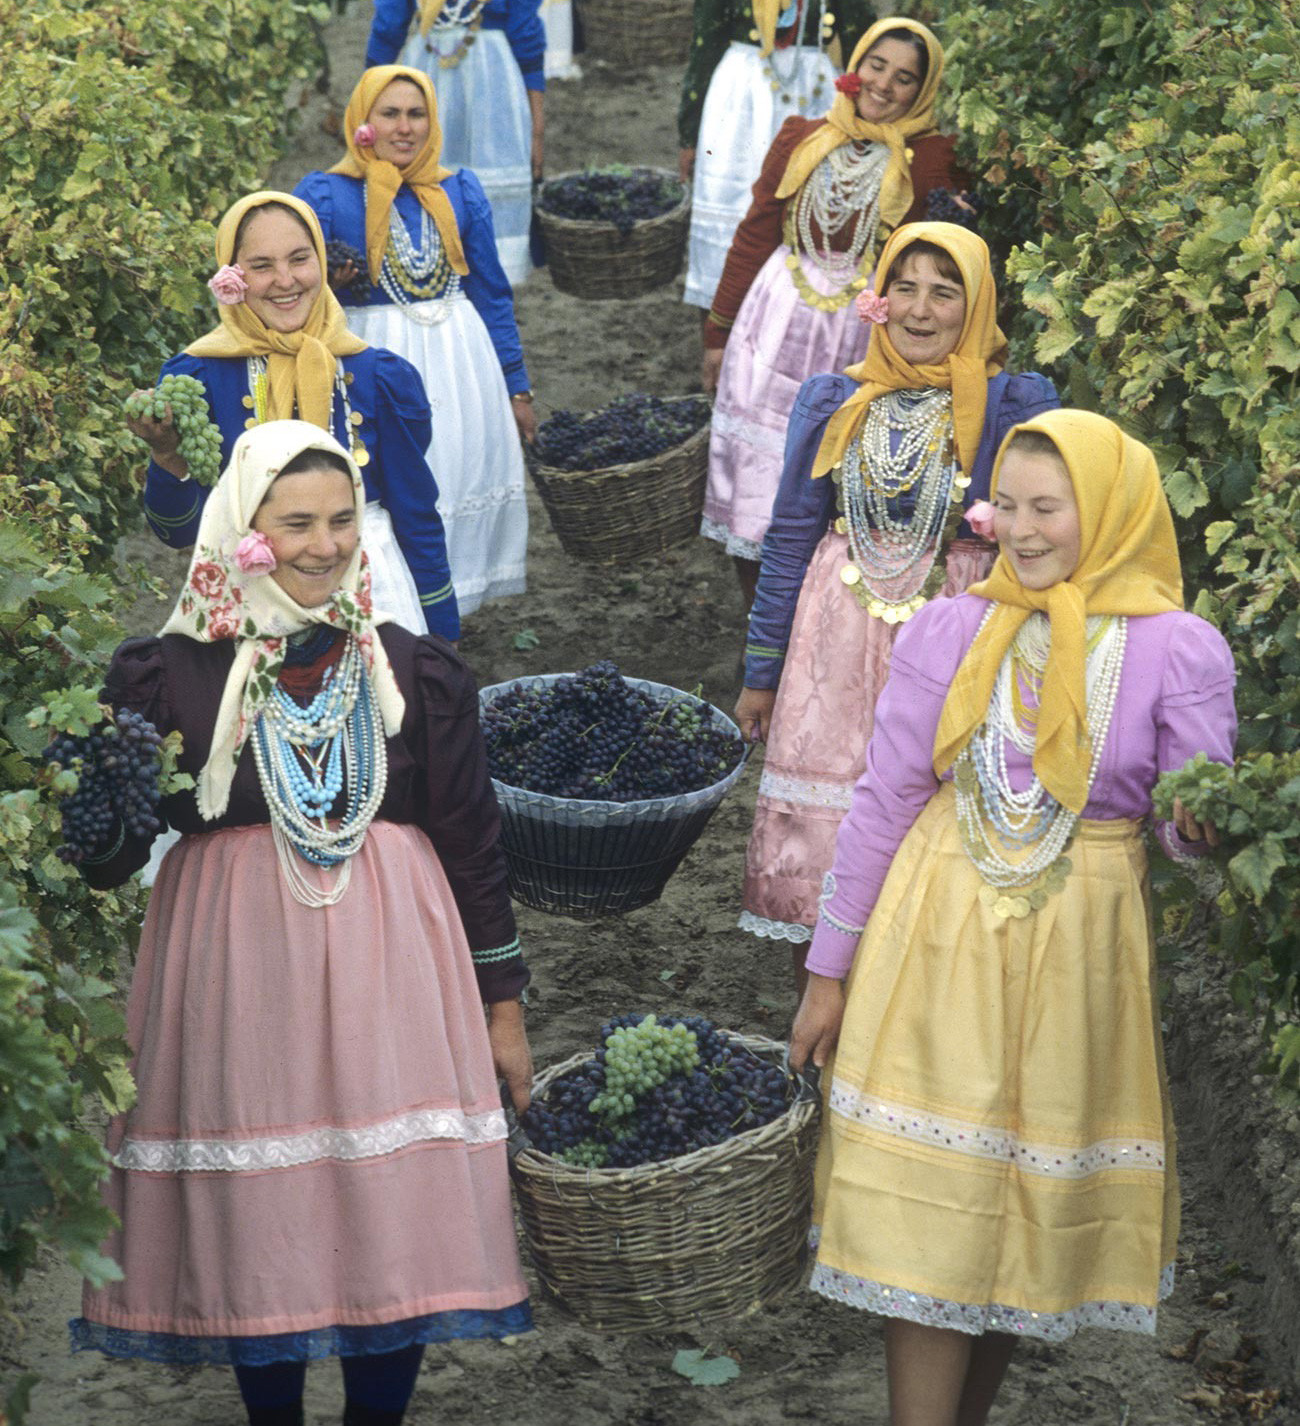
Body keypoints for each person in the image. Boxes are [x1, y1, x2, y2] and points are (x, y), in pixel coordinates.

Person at [69, 420, 533, 1426]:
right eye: (295, 524)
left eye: (339, 522)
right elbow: (106, 859)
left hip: (393, 961)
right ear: (242, 528)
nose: (324, 545)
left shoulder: (412, 668)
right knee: (263, 1207)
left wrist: (503, 1007)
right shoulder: (170, 675)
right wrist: (82, 780)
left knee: (388, 1209)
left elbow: (471, 845)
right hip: (237, 966)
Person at [788, 408, 1237, 1426]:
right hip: (938, 930)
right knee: (936, 1215)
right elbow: (885, 796)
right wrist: (828, 965)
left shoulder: (1179, 650)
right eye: (1012, 506)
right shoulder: (953, 626)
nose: (1024, 531)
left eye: (1051, 507)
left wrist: (1200, 822)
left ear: (1111, 512)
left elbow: (1182, 828)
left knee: (1013, 1216)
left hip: (1080, 952)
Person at [734, 222, 1059, 978]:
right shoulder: (835, 399)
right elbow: (789, 536)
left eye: (945, 292)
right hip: (837, 638)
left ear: (976, 307)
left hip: (960, 639)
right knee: (840, 817)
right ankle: (826, 979)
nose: (920, 309)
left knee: (944, 800)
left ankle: (926, 984)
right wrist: (761, 669)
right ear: (878, 299)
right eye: (904, 287)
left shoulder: (1014, 405)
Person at [701, 20, 970, 608]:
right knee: (757, 476)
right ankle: (761, 622)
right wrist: (716, 333)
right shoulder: (803, 135)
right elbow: (754, 235)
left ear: (922, 92)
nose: (883, 85)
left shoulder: (930, 160)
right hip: (773, 328)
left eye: (905, 79)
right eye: (876, 65)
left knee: (835, 483)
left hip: (863, 339)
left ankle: (820, 621)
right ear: (854, 64)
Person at [129, 191, 457, 643]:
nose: (285, 280)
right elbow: (178, 532)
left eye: (300, 259)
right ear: (231, 274)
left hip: (368, 588)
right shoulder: (199, 377)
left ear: (321, 261)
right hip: (248, 594)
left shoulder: (376, 377)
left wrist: (440, 632)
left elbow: (415, 511)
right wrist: (167, 456)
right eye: (261, 266)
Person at [295, 66, 530, 618]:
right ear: (363, 123)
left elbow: (493, 296)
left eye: (417, 114)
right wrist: (333, 279)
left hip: (460, 366)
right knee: (387, 492)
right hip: (372, 366)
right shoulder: (326, 195)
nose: (405, 128)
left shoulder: (460, 190)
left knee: (457, 474)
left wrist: (516, 387)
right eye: (391, 114)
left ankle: (446, 620)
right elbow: (290, 287)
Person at [678, 0, 876, 313]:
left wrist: (869, 121)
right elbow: (705, 45)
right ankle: (720, 320)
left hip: (814, 92)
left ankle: (789, 317)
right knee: (735, 202)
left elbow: (861, 39)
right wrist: (689, 134)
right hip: (741, 99)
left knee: (810, 207)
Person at [365, 0, 545, 287]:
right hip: (450, 76)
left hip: (474, 77)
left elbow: (388, 28)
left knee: (435, 173)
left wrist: (537, 129)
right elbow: (388, 26)